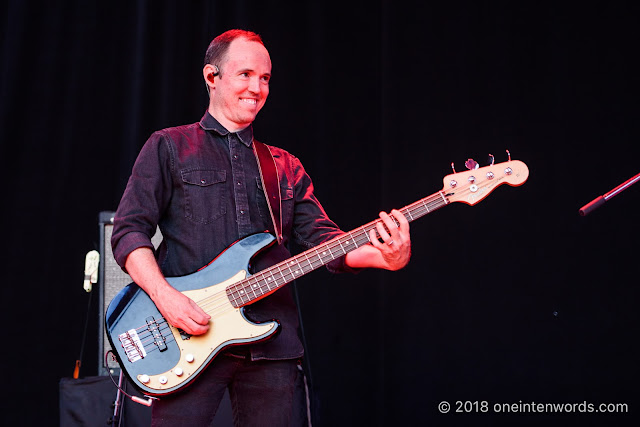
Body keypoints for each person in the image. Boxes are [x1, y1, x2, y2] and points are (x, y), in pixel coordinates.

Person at [111, 29, 411, 426]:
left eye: (265, 78)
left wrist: (386, 257)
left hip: (272, 347)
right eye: (246, 74)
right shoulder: (169, 146)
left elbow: (324, 241)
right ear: (211, 77)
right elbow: (129, 231)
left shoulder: (284, 166)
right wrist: (167, 298)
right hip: (187, 334)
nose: (257, 87)